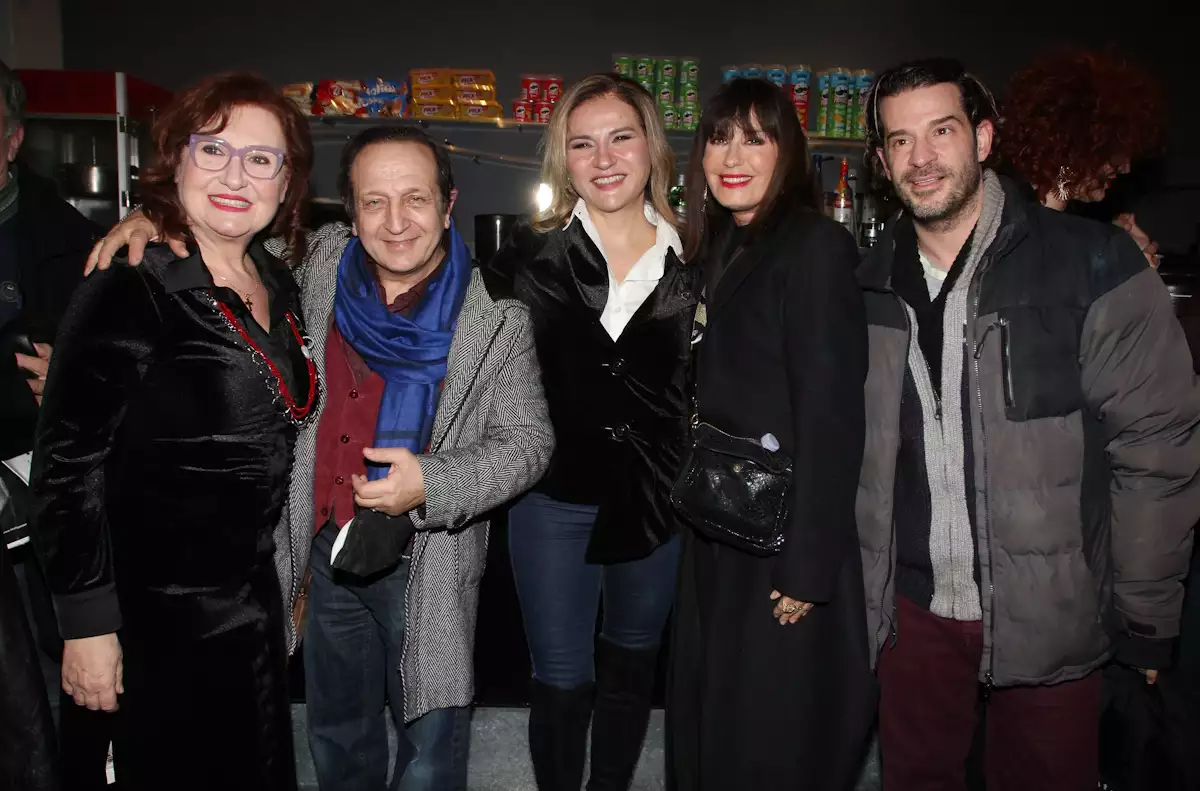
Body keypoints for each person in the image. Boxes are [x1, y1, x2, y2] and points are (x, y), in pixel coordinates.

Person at [89, 124, 555, 791]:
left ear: (448, 204)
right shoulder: (317, 264)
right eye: (374, 202)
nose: (396, 222)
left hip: (424, 560)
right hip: (322, 551)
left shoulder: (497, 321)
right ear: (351, 212)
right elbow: (224, 226)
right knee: (337, 733)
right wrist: (153, 219)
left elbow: (529, 444)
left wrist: (433, 482)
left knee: (429, 752)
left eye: (416, 199)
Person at [856, 57, 1200, 791]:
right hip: (912, 619)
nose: (922, 158)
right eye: (900, 140)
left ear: (983, 138)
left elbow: (1156, 450)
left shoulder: (1091, 262)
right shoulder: (865, 283)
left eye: (941, 131)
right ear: (882, 162)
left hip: (1054, 620)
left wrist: (1146, 621)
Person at [29, 71, 317, 790]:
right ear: (175, 160)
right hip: (151, 621)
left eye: (261, 159)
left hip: (250, 609)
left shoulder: (279, 282)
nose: (235, 176)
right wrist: (87, 625)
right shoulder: (130, 284)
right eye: (212, 150)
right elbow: (66, 466)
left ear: (286, 182)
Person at [482, 73, 698, 791]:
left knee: (633, 667)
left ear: (651, 147)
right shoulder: (523, 255)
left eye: (620, 137)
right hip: (551, 500)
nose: (603, 159)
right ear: (563, 159)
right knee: (561, 678)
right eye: (582, 144)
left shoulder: (699, 257)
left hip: (656, 503)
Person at [665, 77, 874, 791]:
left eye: (756, 139)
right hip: (719, 521)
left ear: (788, 152)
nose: (734, 156)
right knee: (713, 719)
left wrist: (808, 567)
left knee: (768, 737)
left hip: (782, 536)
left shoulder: (815, 246)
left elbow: (833, 416)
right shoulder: (717, 244)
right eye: (720, 137)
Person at [999, 48, 1164, 268]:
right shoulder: (1010, 212)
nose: (1125, 168)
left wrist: (1112, 245)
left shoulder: (1054, 210)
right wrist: (1115, 262)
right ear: (1077, 146)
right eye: (1113, 154)